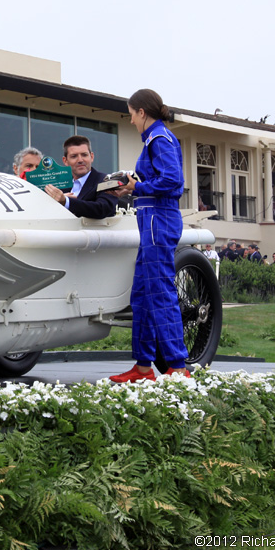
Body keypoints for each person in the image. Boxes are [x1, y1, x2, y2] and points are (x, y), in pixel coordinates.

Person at [109, 89, 189, 383]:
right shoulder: (158, 139)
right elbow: (163, 177)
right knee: (142, 295)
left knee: (160, 292)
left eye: (131, 114)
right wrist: (132, 185)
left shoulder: (158, 139)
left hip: (158, 219)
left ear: (142, 112)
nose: (130, 120)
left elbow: (172, 179)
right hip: (152, 219)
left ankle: (178, 365)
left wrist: (136, 187)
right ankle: (143, 367)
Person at [43, 135, 119, 219]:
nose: (80, 160)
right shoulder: (59, 185)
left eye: (84, 155)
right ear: (65, 161)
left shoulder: (106, 181)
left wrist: (66, 201)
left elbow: (103, 208)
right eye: (74, 156)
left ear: (92, 157)